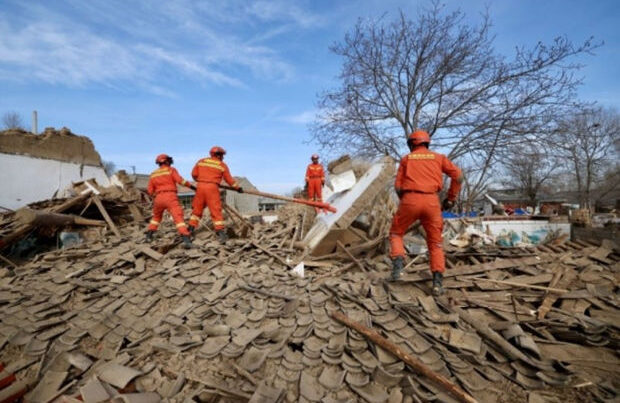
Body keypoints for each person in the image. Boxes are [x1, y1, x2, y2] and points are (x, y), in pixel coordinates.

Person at [389, 130, 463, 295]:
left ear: (412, 143)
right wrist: (451, 198)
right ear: (426, 143)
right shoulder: (439, 158)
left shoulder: (406, 159)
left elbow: (398, 187)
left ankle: (398, 269)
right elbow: (458, 176)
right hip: (432, 202)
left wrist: (407, 203)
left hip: (410, 199)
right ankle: (437, 283)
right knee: (435, 243)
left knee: (396, 233)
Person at [188, 146, 242, 243]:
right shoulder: (222, 165)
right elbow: (229, 180)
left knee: (197, 210)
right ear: (219, 155)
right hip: (212, 188)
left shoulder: (201, 161)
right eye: (222, 155)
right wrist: (238, 188)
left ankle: (190, 231)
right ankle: (221, 234)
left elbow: (194, 174)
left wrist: (201, 181)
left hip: (200, 187)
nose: (223, 157)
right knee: (215, 210)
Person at [146, 154, 194, 249]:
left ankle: (149, 236)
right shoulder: (171, 170)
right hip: (170, 196)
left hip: (158, 198)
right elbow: (180, 181)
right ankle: (186, 239)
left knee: (156, 218)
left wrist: (157, 196)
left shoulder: (153, 174)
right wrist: (191, 186)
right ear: (167, 161)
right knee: (178, 217)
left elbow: (150, 190)